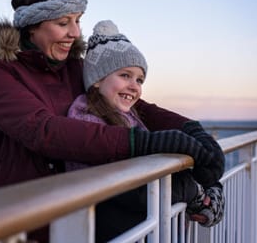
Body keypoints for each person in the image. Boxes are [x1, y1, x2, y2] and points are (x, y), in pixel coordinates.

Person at [0, 0, 225, 242]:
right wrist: (145, 143)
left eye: (78, 21)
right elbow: (42, 131)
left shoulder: (75, 67)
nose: (75, 32)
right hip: (15, 222)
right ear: (32, 25)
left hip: (77, 220)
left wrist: (193, 132)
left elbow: (139, 107)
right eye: (63, 22)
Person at [66, 19, 225, 240]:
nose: (134, 86)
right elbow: (130, 190)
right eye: (125, 75)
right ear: (96, 80)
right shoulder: (84, 117)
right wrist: (192, 189)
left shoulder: (128, 115)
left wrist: (210, 186)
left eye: (139, 79)